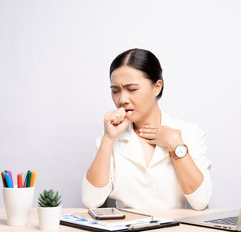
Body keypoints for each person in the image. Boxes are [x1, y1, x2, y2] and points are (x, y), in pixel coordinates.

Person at [82, 48, 212, 210]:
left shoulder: (190, 133)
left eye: (132, 90)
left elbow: (200, 202)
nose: (122, 99)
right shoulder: (110, 136)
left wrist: (175, 144)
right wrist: (108, 139)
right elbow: (91, 200)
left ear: (156, 87)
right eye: (115, 91)